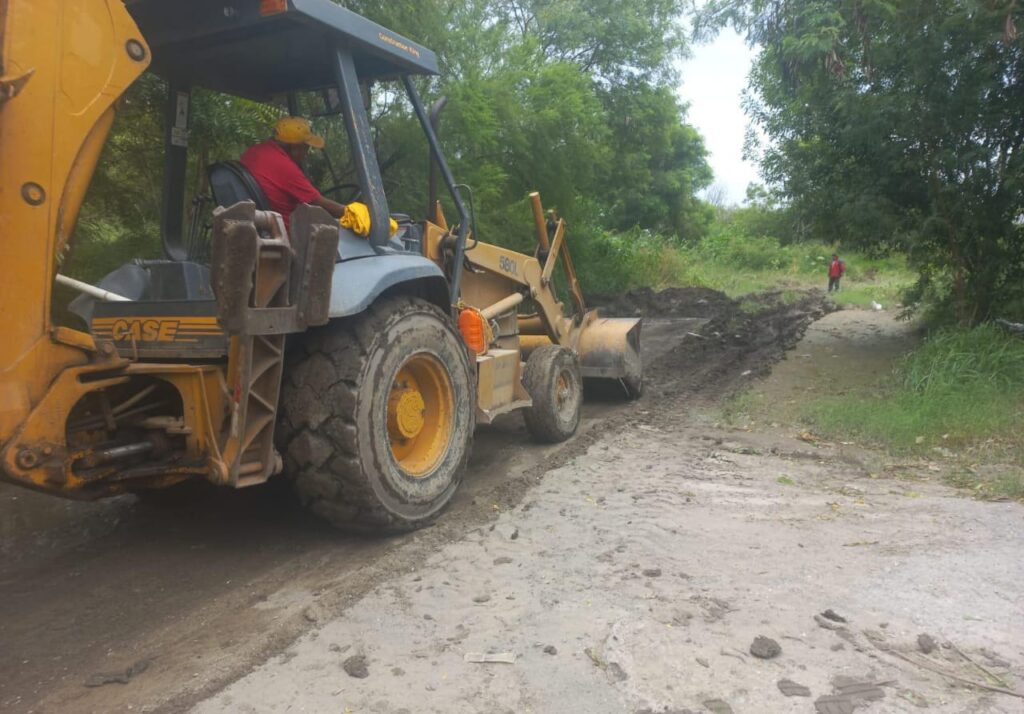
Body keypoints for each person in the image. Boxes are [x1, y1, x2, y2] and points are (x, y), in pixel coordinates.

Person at [240, 117, 390, 237]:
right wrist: (359, 214)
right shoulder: (284, 166)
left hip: (261, 230)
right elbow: (318, 202)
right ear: (295, 147)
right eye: (306, 147)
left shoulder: (253, 153)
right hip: (287, 237)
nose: (306, 152)